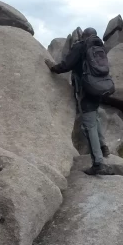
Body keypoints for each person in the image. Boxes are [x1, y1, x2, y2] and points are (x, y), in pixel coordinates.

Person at [48, 27, 114, 175]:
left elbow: (66, 65)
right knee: (95, 118)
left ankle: (98, 163)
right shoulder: (100, 48)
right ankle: (103, 147)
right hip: (99, 88)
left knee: (88, 125)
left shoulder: (81, 46)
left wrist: (53, 68)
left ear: (84, 36)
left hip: (86, 90)